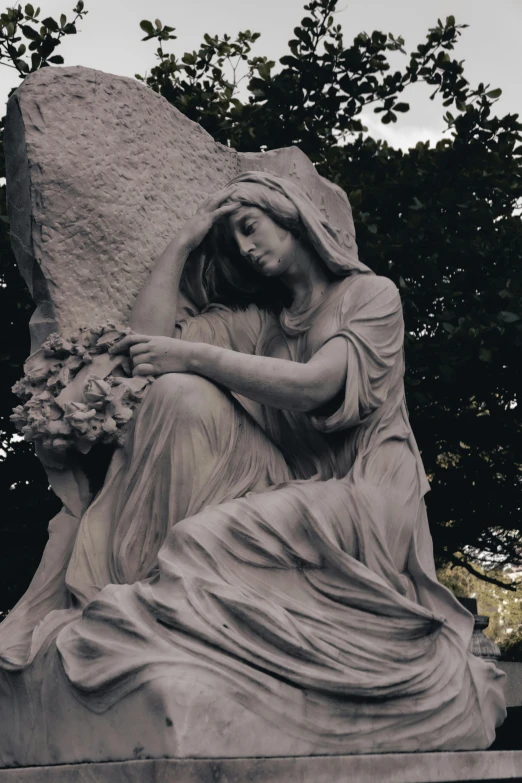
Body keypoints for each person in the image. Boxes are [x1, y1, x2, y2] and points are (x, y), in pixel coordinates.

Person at [0, 172, 506, 766]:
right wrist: (185, 240)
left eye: (250, 226)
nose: (244, 247)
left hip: (367, 491)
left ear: (292, 217)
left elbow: (319, 387)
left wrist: (199, 355)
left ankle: (187, 651)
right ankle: (151, 633)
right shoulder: (259, 324)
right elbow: (149, 346)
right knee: (176, 394)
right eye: (231, 240)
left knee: (201, 538)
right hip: (291, 484)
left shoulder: (371, 297)